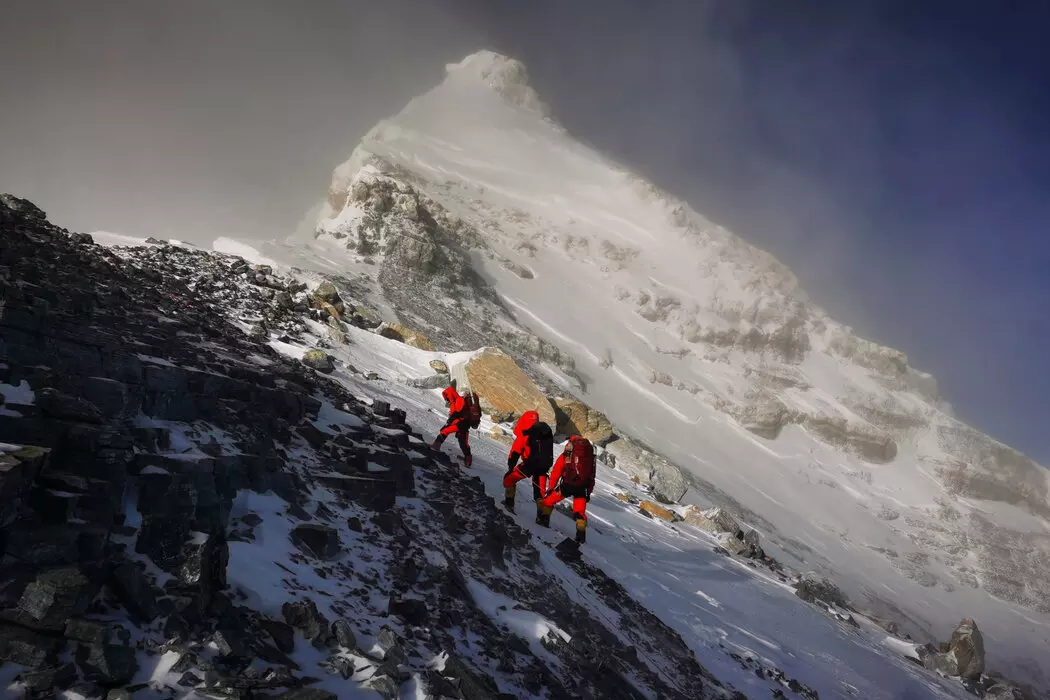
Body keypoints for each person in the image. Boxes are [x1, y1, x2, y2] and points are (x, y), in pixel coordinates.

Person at [536, 436, 596, 544]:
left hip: (567, 485)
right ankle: (580, 538)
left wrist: (550, 488)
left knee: (548, 502)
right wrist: (588, 492)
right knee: (579, 513)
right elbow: (592, 477)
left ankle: (542, 522)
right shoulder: (590, 457)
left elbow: (556, 472)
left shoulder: (568, 453)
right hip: (582, 487)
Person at [502, 412, 554, 511]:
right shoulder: (544, 432)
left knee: (509, 479)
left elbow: (515, 452)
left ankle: (509, 504)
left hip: (529, 465)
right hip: (543, 467)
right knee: (540, 494)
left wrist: (510, 467)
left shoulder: (525, 432)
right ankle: (543, 519)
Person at [431, 381, 472, 467]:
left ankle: (435, 446)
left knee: (445, 431)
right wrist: (451, 419)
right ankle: (468, 461)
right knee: (463, 443)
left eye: (447, 398)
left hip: (460, 423)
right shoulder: (456, 400)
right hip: (463, 424)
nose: (447, 401)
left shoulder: (459, 400)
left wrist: (450, 420)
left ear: (450, 395)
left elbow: (457, 413)